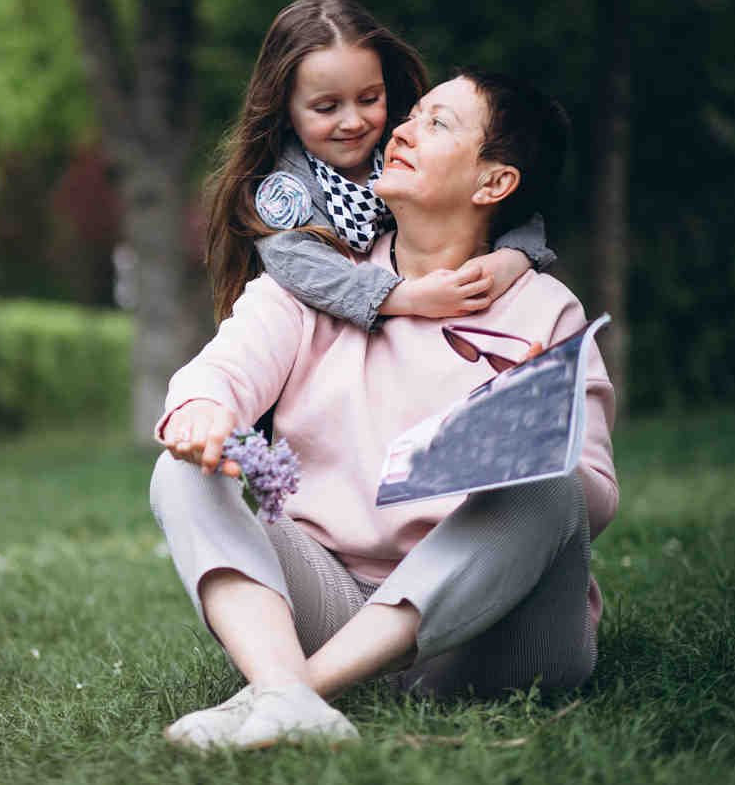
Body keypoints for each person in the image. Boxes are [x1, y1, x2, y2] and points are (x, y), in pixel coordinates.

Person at [150, 68, 618, 751]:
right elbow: (222, 369)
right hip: (334, 600)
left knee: (549, 488)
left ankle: (289, 691)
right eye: (414, 114)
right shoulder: (317, 278)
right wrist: (202, 409)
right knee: (179, 472)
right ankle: (290, 691)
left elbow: (593, 499)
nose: (400, 129)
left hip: (499, 634)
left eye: (438, 123)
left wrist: (509, 448)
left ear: (494, 183)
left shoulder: (545, 309)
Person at [205, 0, 556, 333]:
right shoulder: (284, 192)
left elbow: (518, 207)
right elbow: (299, 265)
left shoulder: (403, 142)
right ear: (284, 112)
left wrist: (513, 258)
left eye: (369, 99)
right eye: (327, 108)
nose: (354, 121)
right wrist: (402, 297)